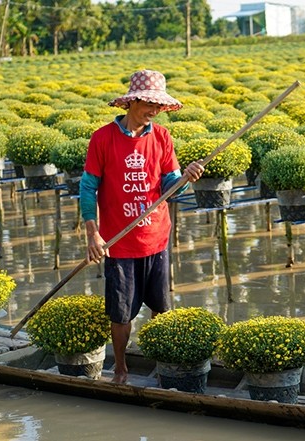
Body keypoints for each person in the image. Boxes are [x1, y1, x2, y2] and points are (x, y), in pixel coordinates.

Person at [79, 69, 204, 384]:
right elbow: (87, 187)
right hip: (119, 243)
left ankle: (163, 363)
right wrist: (92, 233)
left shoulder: (161, 137)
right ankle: (120, 367)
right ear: (132, 101)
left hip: (156, 237)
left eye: (159, 107)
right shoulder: (103, 138)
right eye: (149, 104)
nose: (154, 111)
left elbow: (170, 187)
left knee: (161, 307)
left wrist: (186, 179)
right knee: (121, 312)